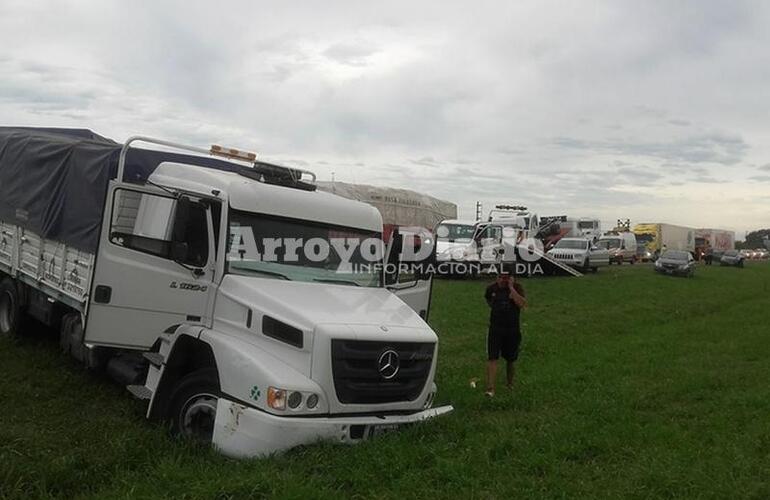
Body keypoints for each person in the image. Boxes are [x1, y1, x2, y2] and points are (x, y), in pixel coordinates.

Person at [483, 269, 527, 397]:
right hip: (495, 328)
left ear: (512, 278)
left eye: (506, 278)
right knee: (492, 357)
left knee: (511, 359)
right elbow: (488, 301)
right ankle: (490, 388)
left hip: (512, 329)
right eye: (501, 277)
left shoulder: (517, 288)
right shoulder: (491, 289)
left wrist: (511, 289)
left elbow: (522, 304)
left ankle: (510, 384)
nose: (503, 280)